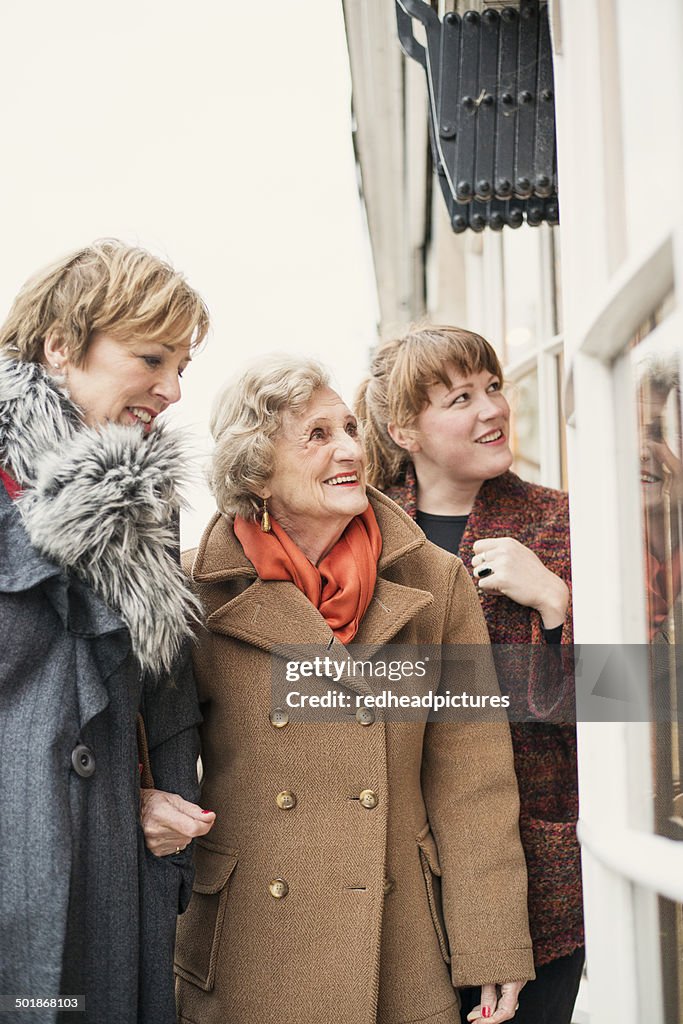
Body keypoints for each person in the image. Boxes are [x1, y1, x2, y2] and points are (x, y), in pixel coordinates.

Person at [174, 354, 534, 1024]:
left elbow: (472, 782)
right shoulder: (195, 590)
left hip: (394, 941)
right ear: (255, 469)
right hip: (248, 938)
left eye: (348, 428)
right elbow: (152, 758)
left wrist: (492, 945)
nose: (349, 450)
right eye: (316, 435)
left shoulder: (433, 581)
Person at [0, 240, 216, 1024]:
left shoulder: (142, 493)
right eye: (152, 358)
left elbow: (165, 686)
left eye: (183, 366)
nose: (172, 390)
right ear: (62, 345)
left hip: (113, 870)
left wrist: (170, 809)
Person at [356, 326, 584, 1024]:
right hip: (392, 865)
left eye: (492, 387)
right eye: (460, 397)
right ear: (404, 431)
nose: (491, 408)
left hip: (533, 874)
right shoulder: (359, 534)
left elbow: (626, 700)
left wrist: (554, 603)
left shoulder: (563, 524)